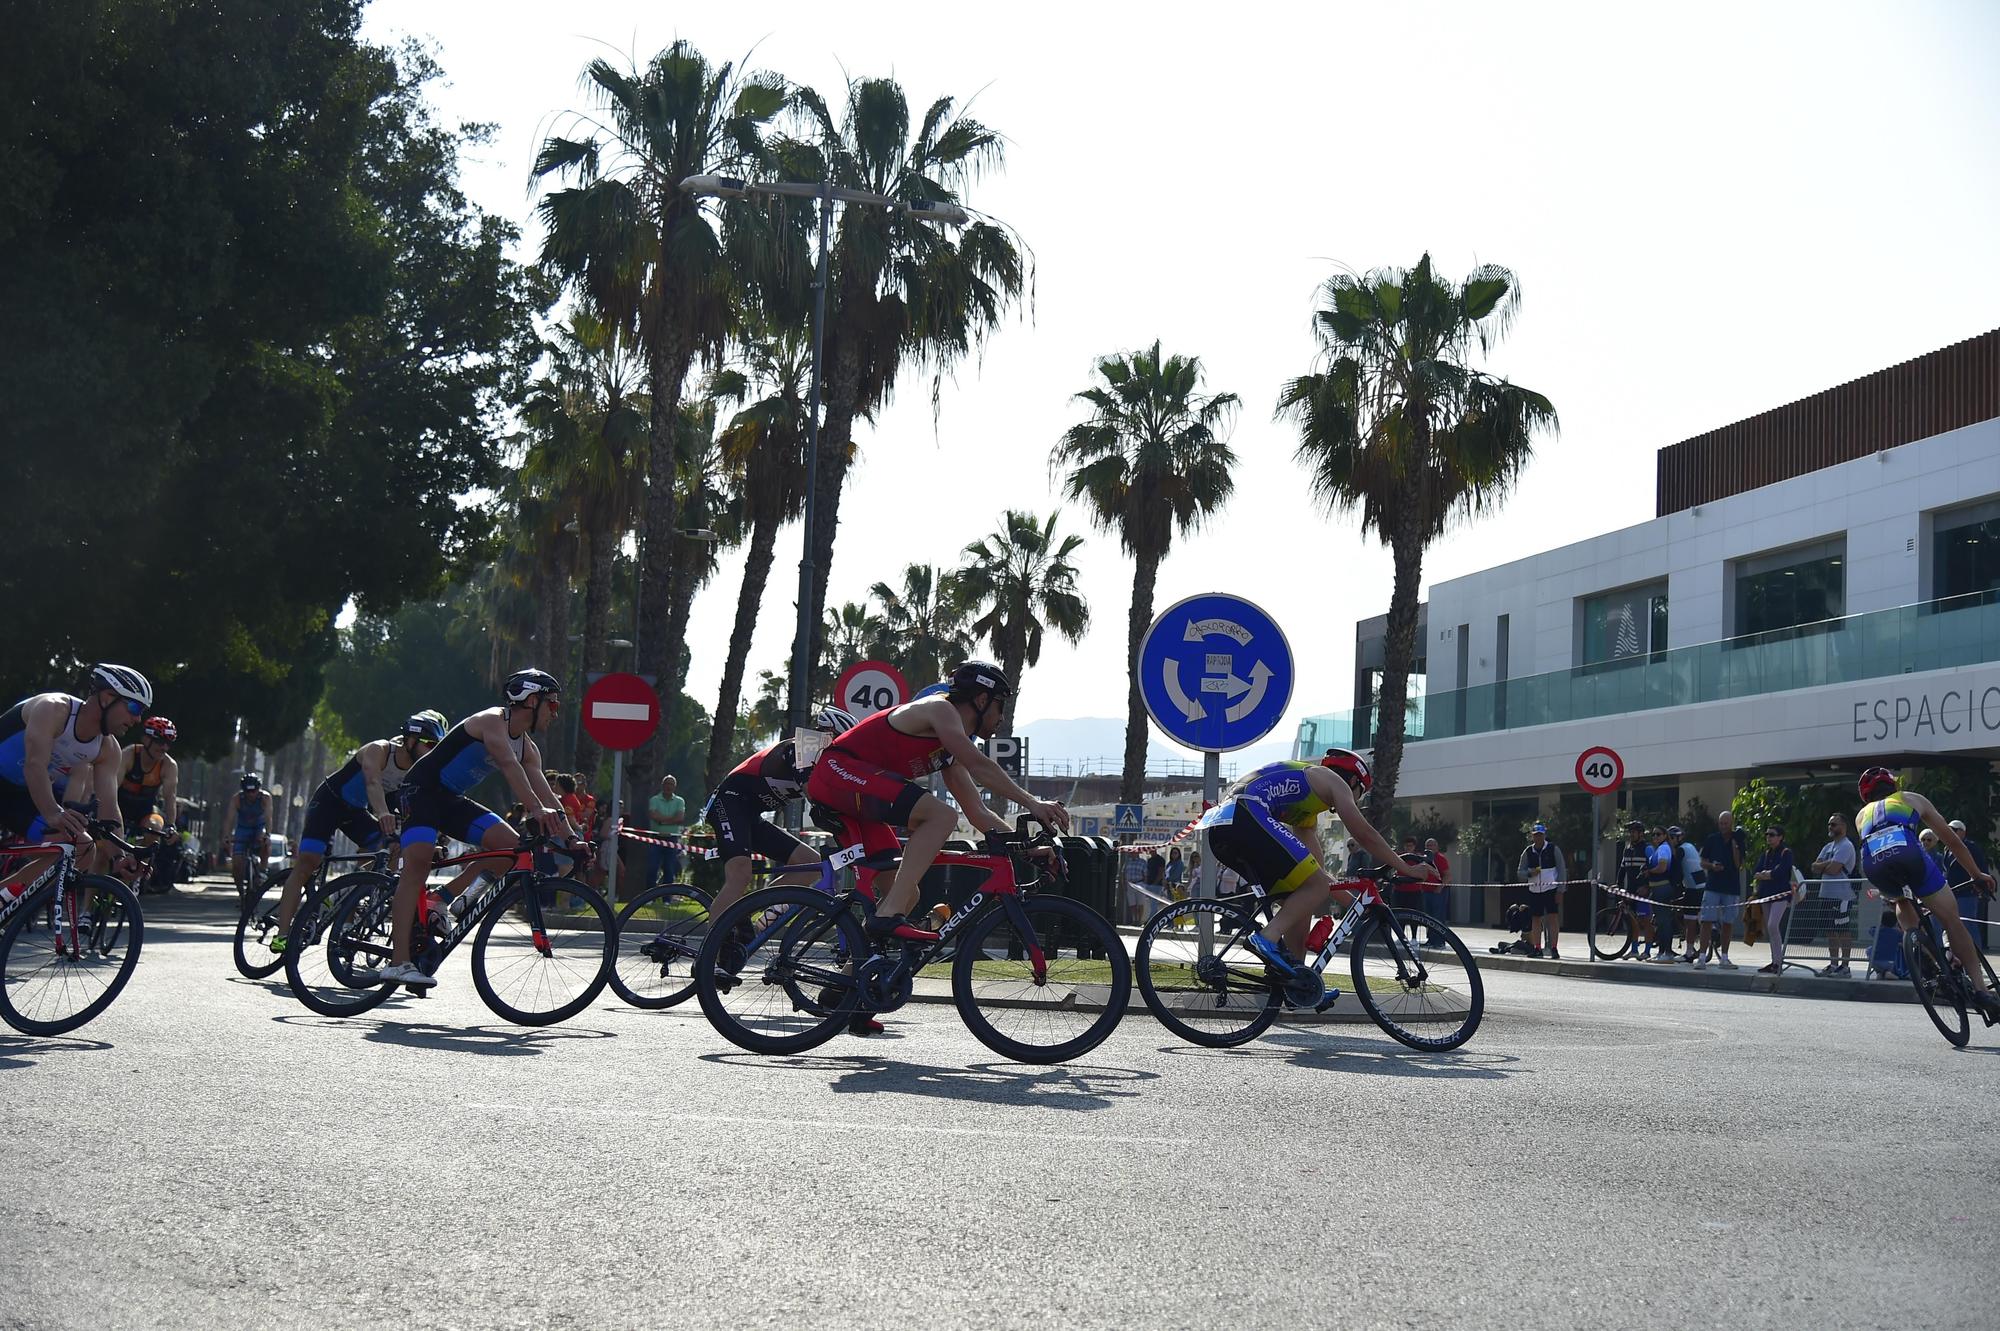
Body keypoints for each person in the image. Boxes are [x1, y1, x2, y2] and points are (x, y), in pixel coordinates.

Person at [804, 661, 1067, 946]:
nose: (1002, 716)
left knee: (906, 893)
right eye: (1000, 704)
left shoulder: (947, 751)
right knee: (941, 816)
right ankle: (887, 914)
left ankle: (854, 979)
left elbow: (978, 811)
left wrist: (1027, 848)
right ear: (981, 700)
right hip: (835, 774)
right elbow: (979, 765)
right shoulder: (940, 709)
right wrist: (1033, 803)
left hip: (856, 792)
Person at [371, 669, 579, 988]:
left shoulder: (528, 747)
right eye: (552, 704)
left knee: (511, 850)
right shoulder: (491, 721)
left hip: (451, 799)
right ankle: (398, 962)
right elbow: (509, 768)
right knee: (419, 862)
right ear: (531, 699)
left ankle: (439, 897)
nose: (556, 713)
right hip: (421, 791)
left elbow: (548, 794)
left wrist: (572, 838)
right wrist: (536, 809)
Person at [1198, 749, 1435, 985]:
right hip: (1246, 815)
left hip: (1222, 827)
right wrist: (1407, 868)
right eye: (1359, 794)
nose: (1355, 801)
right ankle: (1266, 938)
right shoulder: (1333, 780)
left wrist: (1357, 905)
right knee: (1313, 888)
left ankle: (1296, 980)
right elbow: (1364, 834)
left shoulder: (1304, 813)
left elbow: (1319, 877)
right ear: (1354, 780)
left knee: (1303, 895)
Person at [270, 710, 447, 948]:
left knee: (393, 848)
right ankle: (282, 934)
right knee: (308, 862)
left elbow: (414, 808)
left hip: (355, 812)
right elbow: (372, 782)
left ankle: (349, 903)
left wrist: (428, 839)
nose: (433, 752)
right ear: (411, 740)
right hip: (329, 803)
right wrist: (383, 812)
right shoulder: (379, 750)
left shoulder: (416, 772)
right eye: (430, 744)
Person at [1854, 766, 1999, 1018]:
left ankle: (1925, 954)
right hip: (1908, 853)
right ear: (1893, 786)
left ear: (1866, 796)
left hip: (1874, 863)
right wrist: (1976, 874)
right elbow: (1952, 842)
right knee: (1952, 920)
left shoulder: (1860, 816)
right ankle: (1980, 990)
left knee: (1900, 899)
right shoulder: (1910, 798)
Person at [700, 704, 856, 926]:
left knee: (810, 863)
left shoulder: (821, 762)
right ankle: (708, 953)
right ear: (829, 735)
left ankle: (750, 917)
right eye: (842, 744)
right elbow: (814, 793)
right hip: (728, 802)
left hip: (750, 814)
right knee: (740, 874)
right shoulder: (802, 747)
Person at [0, 665, 150, 893]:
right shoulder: (53, 709)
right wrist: (53, 812)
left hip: (19, 795)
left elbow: (109, 806)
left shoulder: (107, 749)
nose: (138, 719)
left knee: (83, 848)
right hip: (25, 782)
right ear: (107, 697)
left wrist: (119, 855)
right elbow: (35, 765)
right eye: (134, 707)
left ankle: (6, 897)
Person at [1694, 811, 1747, 968]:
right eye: (1721, 823)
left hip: (1731, 887)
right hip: (1713, 886)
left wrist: (1735, 846)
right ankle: (1702, 957)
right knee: (1706, 920)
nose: (1723, 826)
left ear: (1732, 823)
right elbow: (1702, 862)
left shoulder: (1738, 840)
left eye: (1726, 823)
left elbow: (1739, 865)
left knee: (1728, 922)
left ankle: (1724, 957)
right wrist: (1712, 866)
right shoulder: (1712, 839)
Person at [1812, 813, 1859, 976]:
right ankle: (1833, 964)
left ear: (1843, 827)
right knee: (1830, 930)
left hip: (1842, 896)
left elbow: (1834, 870)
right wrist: (1828, 864)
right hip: (1826, 894)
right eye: (1829, 824)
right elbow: (1814, 867)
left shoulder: (1846, 846)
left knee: (1842, 929)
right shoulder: (1827, 847)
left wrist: (1825, 865)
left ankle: (1845, 966)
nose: (1831, 827)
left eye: (1834, 824)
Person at [218, 771, 274, 902]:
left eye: (253, 791)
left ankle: (262, 870)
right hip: (243, 829)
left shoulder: (265, 798)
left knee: (266, 843)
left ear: (258, 789)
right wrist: (226, 836)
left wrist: (268, 834)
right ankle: (241, 893)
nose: (251, 795)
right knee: (237, 863)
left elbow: (268, 818)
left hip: (259, 827)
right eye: (247, 792)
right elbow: (229, 819)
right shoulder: (237, 799)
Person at [1752, 825, 1799, 973]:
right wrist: (1765, 874)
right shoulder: (1766, 854)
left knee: (1773, 925)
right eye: (1767, 835)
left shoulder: (1786, 853)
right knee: (1770, 929)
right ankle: (1774, 961)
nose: (1769, 837)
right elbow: (1756, 871)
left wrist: (1767, 874)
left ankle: (1778, 963)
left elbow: (1781, 871)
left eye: (1772, 835)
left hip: (1781, 895)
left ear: (1780, 837)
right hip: (1766, 894)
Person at [1518, 822, 1566, 959]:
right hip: (1534, 890)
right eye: (1535, 835)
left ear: (1544, 835)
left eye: (1540, 835)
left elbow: (1562, 870)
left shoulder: (1553, 849)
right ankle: (1537, 948)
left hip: (1551, 888)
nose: (1538, 837)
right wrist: (1529, 873)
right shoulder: (1528, 852)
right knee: (1536, 919)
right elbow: (1520, 872)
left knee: (1553, 918)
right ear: (1532, 836)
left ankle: (1554, 948)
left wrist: (1560, 890)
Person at [1943, 818, 1991, 950]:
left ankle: (1977, 956)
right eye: (1949, 830)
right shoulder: (1947, 848)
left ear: (1962, 832)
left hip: (1967, 891)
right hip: (1953, 892)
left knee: (1968, 924)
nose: (1950, 832)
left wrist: (1981, 884)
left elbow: (1981, 867)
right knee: (1954, 925)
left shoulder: (1970, 847)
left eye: (1954, 830)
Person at [1614, 820, 1656, 960]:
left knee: (1645, 920)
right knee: (1632, 921)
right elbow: (1622, 870)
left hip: (1643, 890)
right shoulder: (1627, 849)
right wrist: (1618, 886)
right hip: (1630, 889)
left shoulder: (1647, 848)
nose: (1631, 835)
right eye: (1630, 832)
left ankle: (1648, 951)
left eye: (1634, 832)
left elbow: (1654, 870)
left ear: (1641, 834)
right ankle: (1634, 950)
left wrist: (1648, 887)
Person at [646, 774, 689, 887]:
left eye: (671, 784)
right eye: (667, 784)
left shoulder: (679, 801)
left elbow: (680, 818)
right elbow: (653, 815)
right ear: (662, 785)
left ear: (675, 787)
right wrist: (671, 819)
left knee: (669, 868)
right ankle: (650, 896)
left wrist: (663, 821)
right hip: (656, 838)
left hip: (672, 839)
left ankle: (667, 899)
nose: (668, 786)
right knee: (652, 867)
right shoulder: (654, 800)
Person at [1424, 837, 1451, 947]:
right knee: (1428, 917)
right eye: (1428, 845)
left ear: (1437, 847)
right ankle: (1430, 940)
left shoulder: (1440, 858)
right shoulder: (1424, 858)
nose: (1430, 847)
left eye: (1432, 845)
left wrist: (1439, 887)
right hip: (1426, 891)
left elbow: (1448, 875)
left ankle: (1440, 941)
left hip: (1438, 892)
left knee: (1438, 917)